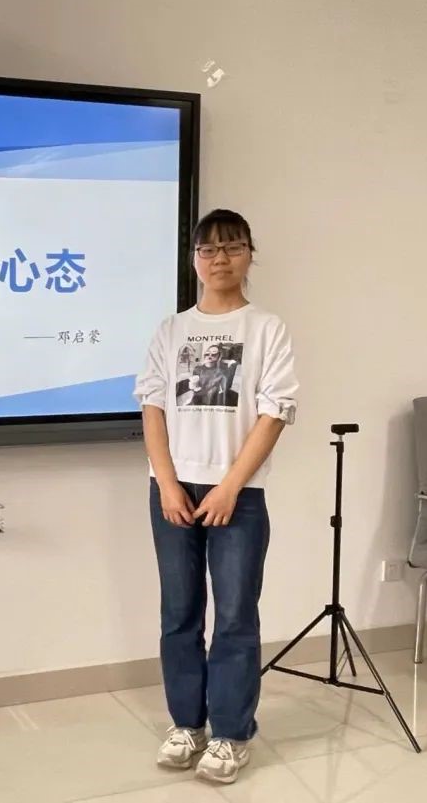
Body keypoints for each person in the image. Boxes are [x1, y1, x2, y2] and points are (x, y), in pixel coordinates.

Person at [134, 209, 299, 785]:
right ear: (194, 261)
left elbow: (275, 412)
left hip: (239, 493)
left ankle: (231, 733)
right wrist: (167, 482)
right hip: (172, 491)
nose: (220, 259)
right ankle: (187, 724)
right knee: (179, 612)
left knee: (234, 616)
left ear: (250, 255)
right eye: (208, 249)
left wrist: (230, 485)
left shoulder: (267, 328)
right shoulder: (171, 330)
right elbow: (152, 407)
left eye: (232, 247)